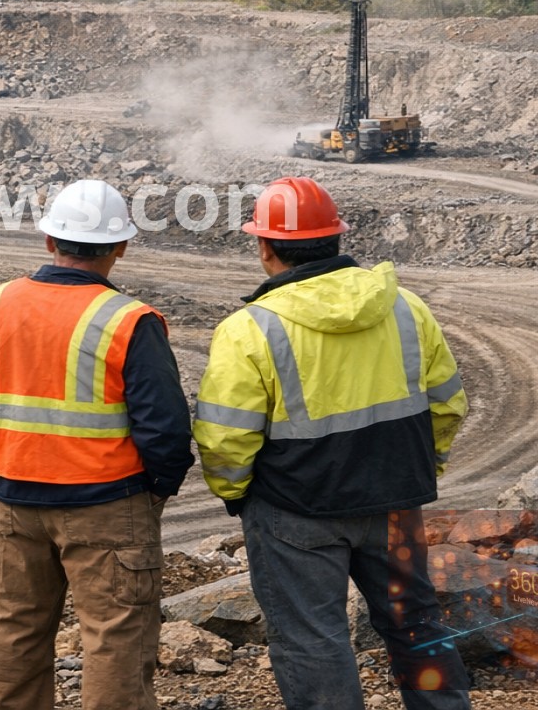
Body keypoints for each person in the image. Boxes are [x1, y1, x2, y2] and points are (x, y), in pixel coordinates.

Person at [193, 177, 470, 710]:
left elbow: (226, 437)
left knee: (312, 641)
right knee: (415, 622)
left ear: (265, 247)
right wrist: (420, 469)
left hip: (294, 512)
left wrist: (236, 493)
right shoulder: (405, 307)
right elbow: (447, 403)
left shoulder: (250, 330)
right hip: (395, 500)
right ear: (337, 239)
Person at [0, 179, 194, 710]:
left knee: (13, 625)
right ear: (120, 246)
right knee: (115, 637)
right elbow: (164, 427)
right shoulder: (128, 321)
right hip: (109, 502)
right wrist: (158, 489)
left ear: (49, 240)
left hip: (13, 499)